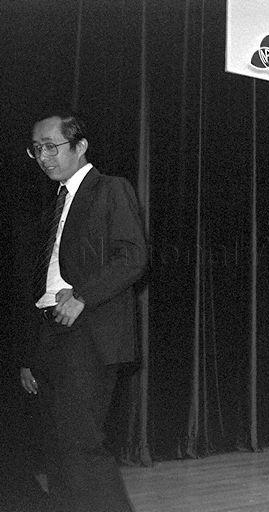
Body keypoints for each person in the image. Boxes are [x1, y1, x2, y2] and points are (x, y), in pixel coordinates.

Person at [19, 111, 147, 511]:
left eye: (51, 147)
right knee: (57, 450)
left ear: (80, 146)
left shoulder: (110, 189)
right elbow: (43, 282)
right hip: (51, 334)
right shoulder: (54, 205)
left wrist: (83, 297)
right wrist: (30, 355)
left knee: (81, 444)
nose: (43, 156)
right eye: (36, 149)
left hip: (88, 333)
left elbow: (133, 257)